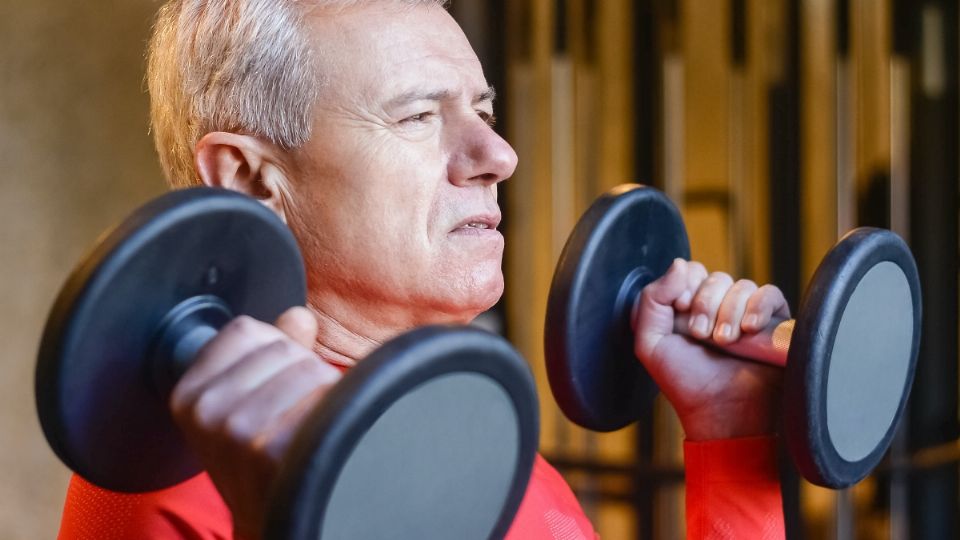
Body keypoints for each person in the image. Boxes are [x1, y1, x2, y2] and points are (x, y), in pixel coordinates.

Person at [58, 1, 787, 538]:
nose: (499, 157)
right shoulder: (167, 482)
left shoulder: (461, 438)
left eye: (482, 109)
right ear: (251, 179)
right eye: (416, 117)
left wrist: (730, 436)